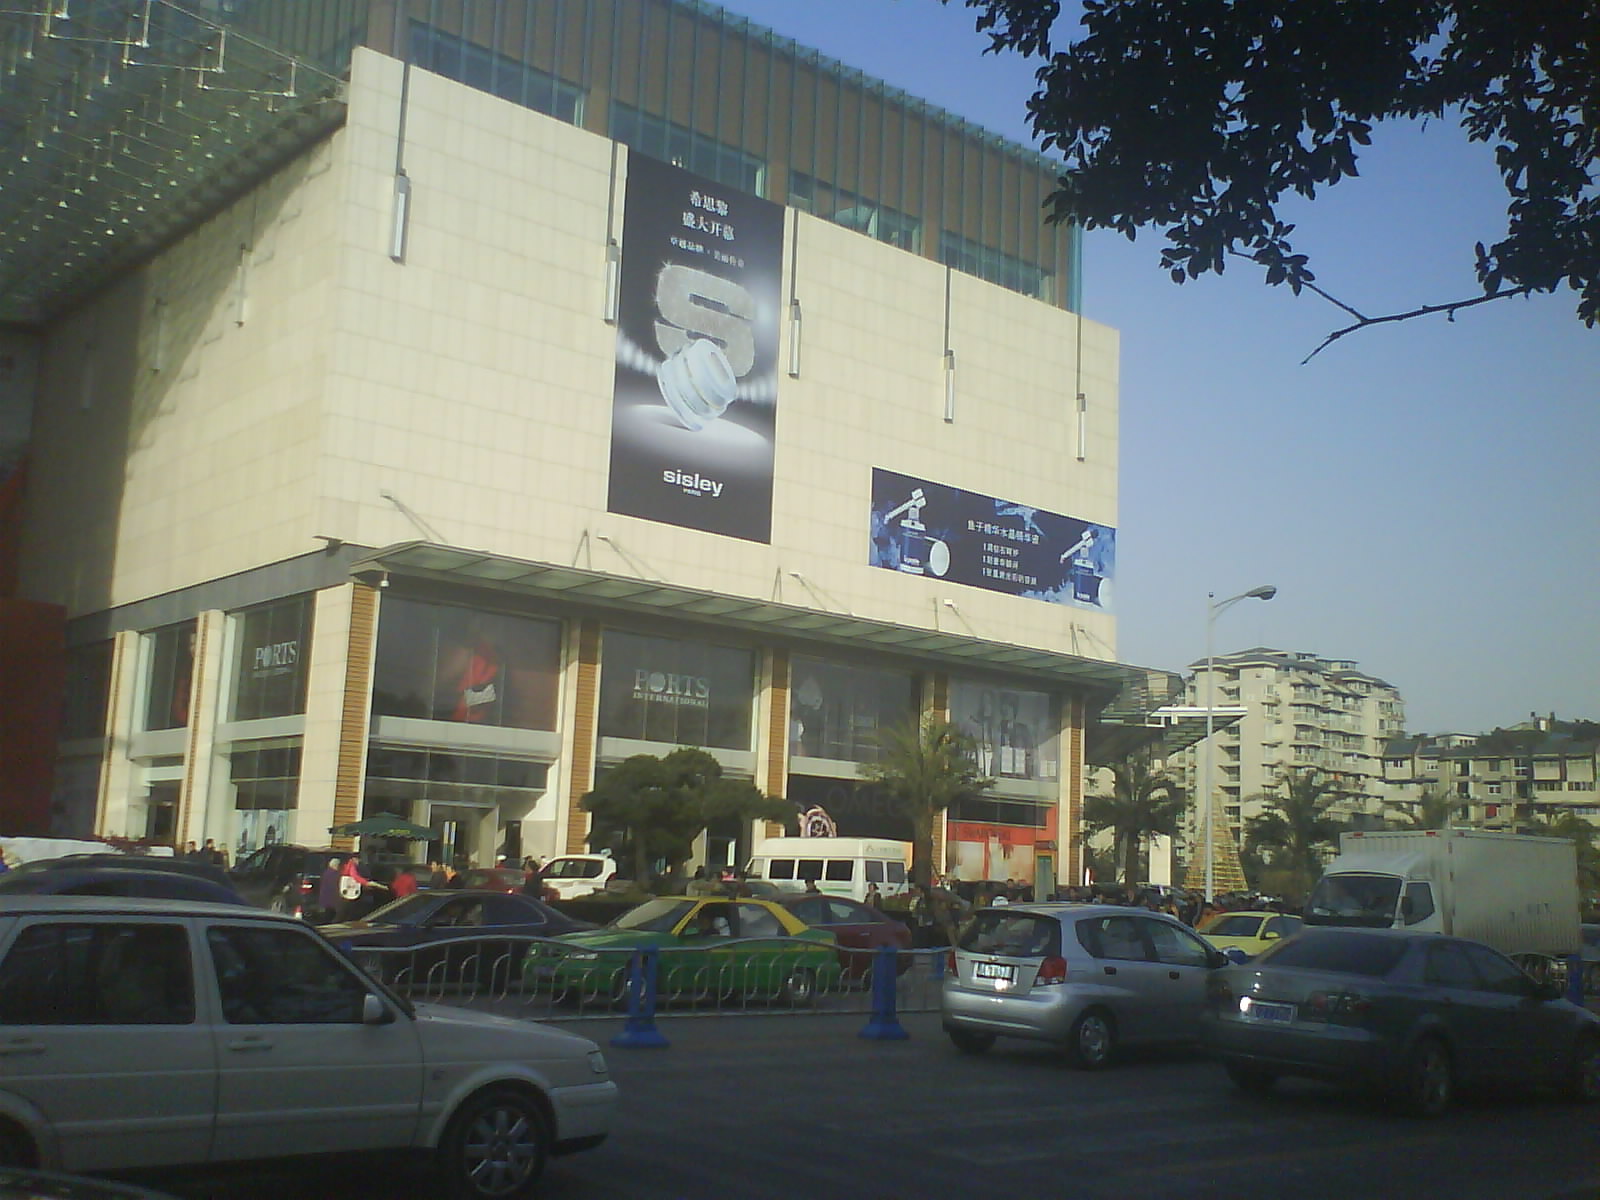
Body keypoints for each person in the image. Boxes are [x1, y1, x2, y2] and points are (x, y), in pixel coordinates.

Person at [317, 856, 343, 922]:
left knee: (327, 914)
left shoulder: (326, 872)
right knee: (331, 915)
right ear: (335, 865)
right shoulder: (335, 874)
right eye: (339, 865)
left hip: (326, 898)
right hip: (332, 898)